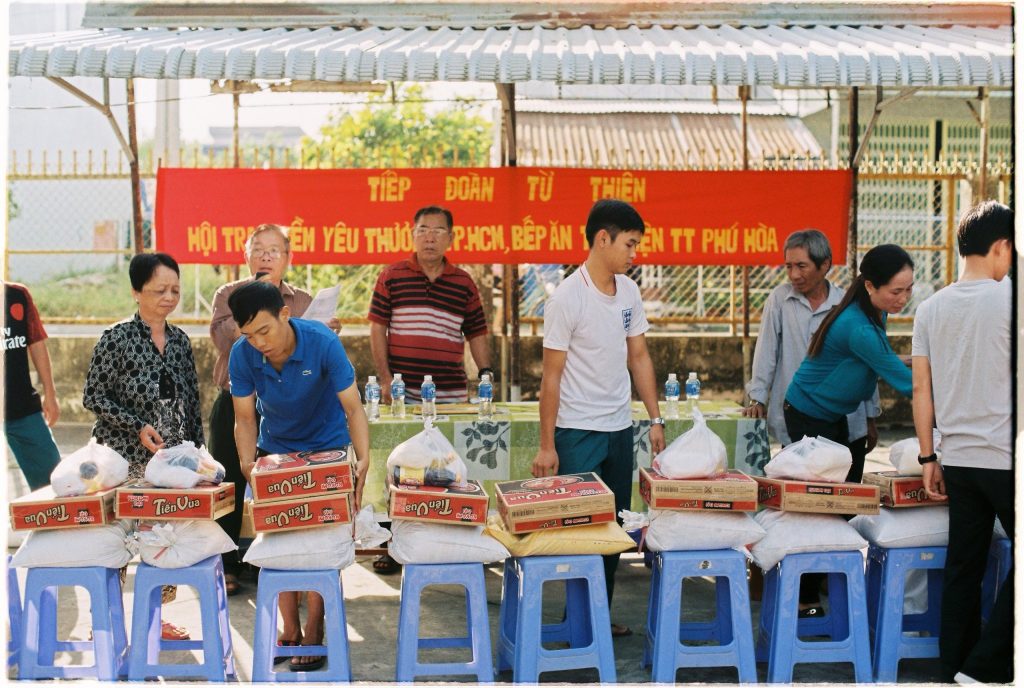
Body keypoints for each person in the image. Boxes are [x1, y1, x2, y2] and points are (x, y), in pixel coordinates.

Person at [531, 198, 666, 637]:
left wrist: (656, 419)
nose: (634, 254)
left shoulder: (629, 292)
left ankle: (596, 617)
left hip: (619, 429)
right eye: (630, 244)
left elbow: (639, 357)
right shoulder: (567, 298)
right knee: (579, 528)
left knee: (613, 528)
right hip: (576, 431)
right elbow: (551, 377)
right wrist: (547, 445)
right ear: (602, 239)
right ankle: (575, 621)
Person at [229, 280, 369, 672]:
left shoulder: (322, 342)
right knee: (278, 536)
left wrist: (363, 459)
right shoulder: (243, 354)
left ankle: (314, 627)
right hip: (276, 449)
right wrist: (248, 465)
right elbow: (244, 418)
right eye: (249, 334)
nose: (259, 342)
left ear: (285, 314)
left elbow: (353, 408)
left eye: (264, 330)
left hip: (327, 447)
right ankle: (289, 627)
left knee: (322, 538)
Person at [912, 201, 1013, 684]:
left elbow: (921, 389)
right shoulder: (1010, 298)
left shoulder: (930, 308)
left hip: (958, 459)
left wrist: (928, 455)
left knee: (964, 566)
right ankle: (984, 666)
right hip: (1006, 457)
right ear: (1002, 247)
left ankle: (953, 666)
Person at [784, 243, 914, 615]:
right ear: (870, 286)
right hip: (809, 415)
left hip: (833, 414)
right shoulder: (858, 326)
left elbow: (876, 361)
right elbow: (906, 383)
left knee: (841, 504)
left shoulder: (872, 311)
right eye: (896, 291)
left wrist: (915, 361)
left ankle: (822, 580)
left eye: (909, 289)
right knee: (824, 508)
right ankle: (806, 598)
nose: (904, 298)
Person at [208, 223, 338, 596]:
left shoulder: (303, 299)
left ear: (288, 258)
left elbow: (312, 349)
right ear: (246, 255)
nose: (266, 257)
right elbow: (228, 335)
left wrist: (325, 332)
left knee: (285, 485)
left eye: (274, 251)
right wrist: (279, 323)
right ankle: (227, 563)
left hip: (288, 407)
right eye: (259, 250)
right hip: (236, 401)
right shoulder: (228, 294)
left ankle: (280, 560)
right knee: (230, 480)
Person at [83, 252, 203, 642]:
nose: (169, 298)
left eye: (175, 290)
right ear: (136, 292)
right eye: (159, 290)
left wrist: (199, 454)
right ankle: (104, 622)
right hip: (120, 459)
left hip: (168, 463)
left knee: (163, 538)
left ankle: (156, 619)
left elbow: (192, 400)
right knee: (114, 541)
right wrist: (137, 427)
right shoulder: (116, 338)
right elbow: (93, 396)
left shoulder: (181, 341)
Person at [367, 204, 492, 574]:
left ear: (450, 237)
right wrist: (385, 379)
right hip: (402, 395)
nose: (430, 237)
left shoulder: (463, 282)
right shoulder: (392, 276)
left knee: (449, 471)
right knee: (400, 470)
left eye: (438, 230)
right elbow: (377, 328)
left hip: (450, 393)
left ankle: (455, 542)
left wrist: (486, 374)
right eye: (423, 229)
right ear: (412, 234)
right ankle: (393, 545)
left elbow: (477, 332)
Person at [743, 230, 879, 474]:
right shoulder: (779, 300)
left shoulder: (847, 304)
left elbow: (867, 362)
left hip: (848, 421)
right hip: (798, 419)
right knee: (802, 492)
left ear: (824, 265)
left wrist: (870, 417)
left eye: (801, 266)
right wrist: (757, 398)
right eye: (789, 266)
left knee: (847, 494)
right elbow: (766, 352)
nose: (794, 275)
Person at [4, 282, 62, 490]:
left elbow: (37, 343)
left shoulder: (17, 295)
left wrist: (50, 394)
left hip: (23, 409)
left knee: (54, 482)